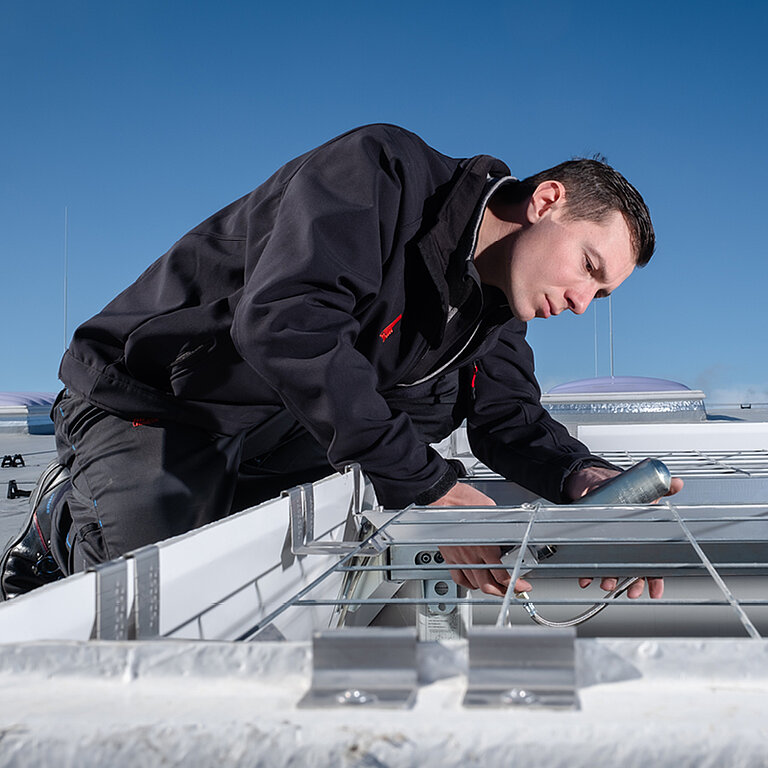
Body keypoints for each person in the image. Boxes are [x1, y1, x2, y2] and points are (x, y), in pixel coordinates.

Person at [1, 123, 682, 602]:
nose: (583, 303)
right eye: (588, 268)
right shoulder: (380, 174)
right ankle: (58, 525)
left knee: (422, 414)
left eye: (602, 292)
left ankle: (217, 503)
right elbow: (284, 325)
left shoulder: (496, 309)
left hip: (266, 425)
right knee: (155, 597)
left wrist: (585, 479)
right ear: (545, 202)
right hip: (156, 397)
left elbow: (508, 421)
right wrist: (429, 489)